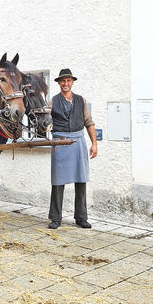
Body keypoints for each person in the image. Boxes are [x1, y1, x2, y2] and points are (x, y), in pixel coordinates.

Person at [48, 68, 97, 229]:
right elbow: (45, 121)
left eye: (68, 81)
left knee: (81, 180)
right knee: (57, 181)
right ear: (58, 83)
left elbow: (88, 122)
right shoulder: (52, 101)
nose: (65, 84)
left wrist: (94, 144)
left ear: (72, 82)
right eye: (63, 81)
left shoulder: (81, 100)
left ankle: (81, 217)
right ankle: (55, 218)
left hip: (78, 142)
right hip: (59, 143)